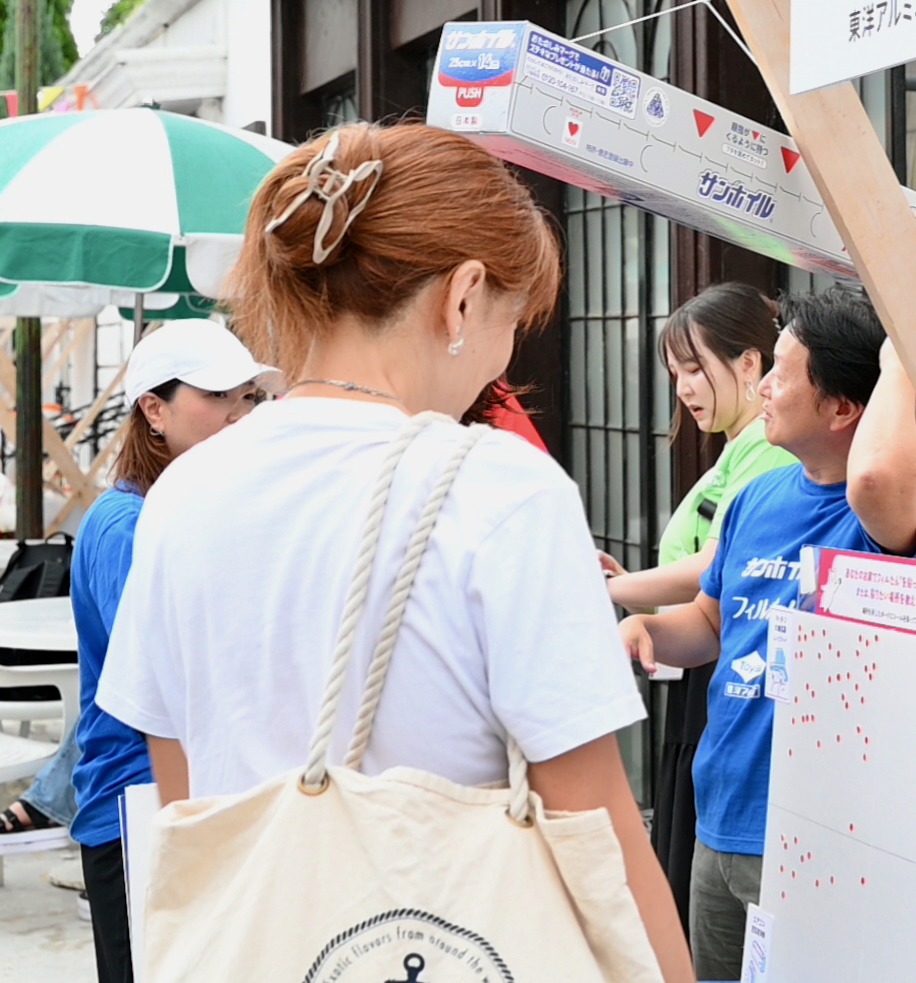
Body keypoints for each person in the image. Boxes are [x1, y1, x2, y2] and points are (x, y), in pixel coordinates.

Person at [95, 123, 695, 983]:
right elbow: (595, 827)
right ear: (462, 297)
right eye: (510, 323)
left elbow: (187, 796)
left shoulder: (181, 493)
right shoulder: (501, 490)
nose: (503, 354)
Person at [619, 288, 916, 981]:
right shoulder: (756, 497)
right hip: (722, 810)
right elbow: (713, 622)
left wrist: (903, 355)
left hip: (825, 836)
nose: (764, 385)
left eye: (782, 370)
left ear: (843, 407)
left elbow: (872, 473)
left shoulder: (909, 511)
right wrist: (645, 628)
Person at [71, 319, 278, 983]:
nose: (238, 414)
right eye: (218, 396)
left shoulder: (191, 508)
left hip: (197, 802)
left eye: (248, 397)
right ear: (153, 409)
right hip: (141, 810)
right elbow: (175, 677)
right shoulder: (127, 523)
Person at [599, 282, 797, 931]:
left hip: (726, 668)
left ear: (750, 363)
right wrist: (636, 590)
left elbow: (718, 568)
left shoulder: (765, 446)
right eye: (675, 373)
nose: (683, 387)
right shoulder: (739, 446)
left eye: (694, 367)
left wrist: (618, 590)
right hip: (704, 659)